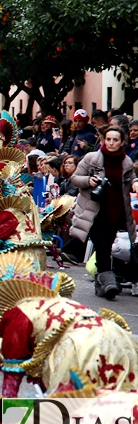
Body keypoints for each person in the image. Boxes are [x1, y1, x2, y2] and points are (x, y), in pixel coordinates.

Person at [69, 126, 138, 299]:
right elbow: (75, 178)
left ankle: (102, 283)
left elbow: (131, 179)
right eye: (108, 139)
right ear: (103, 140)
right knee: (101, 243)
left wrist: (135, 183)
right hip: (92, 211)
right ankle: (108, 282)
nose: (111, 143)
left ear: (122, 142)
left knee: (106, 245)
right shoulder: (92, 158)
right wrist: (88, 181)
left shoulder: (126, 162)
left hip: (115, 211)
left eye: (115, 140)